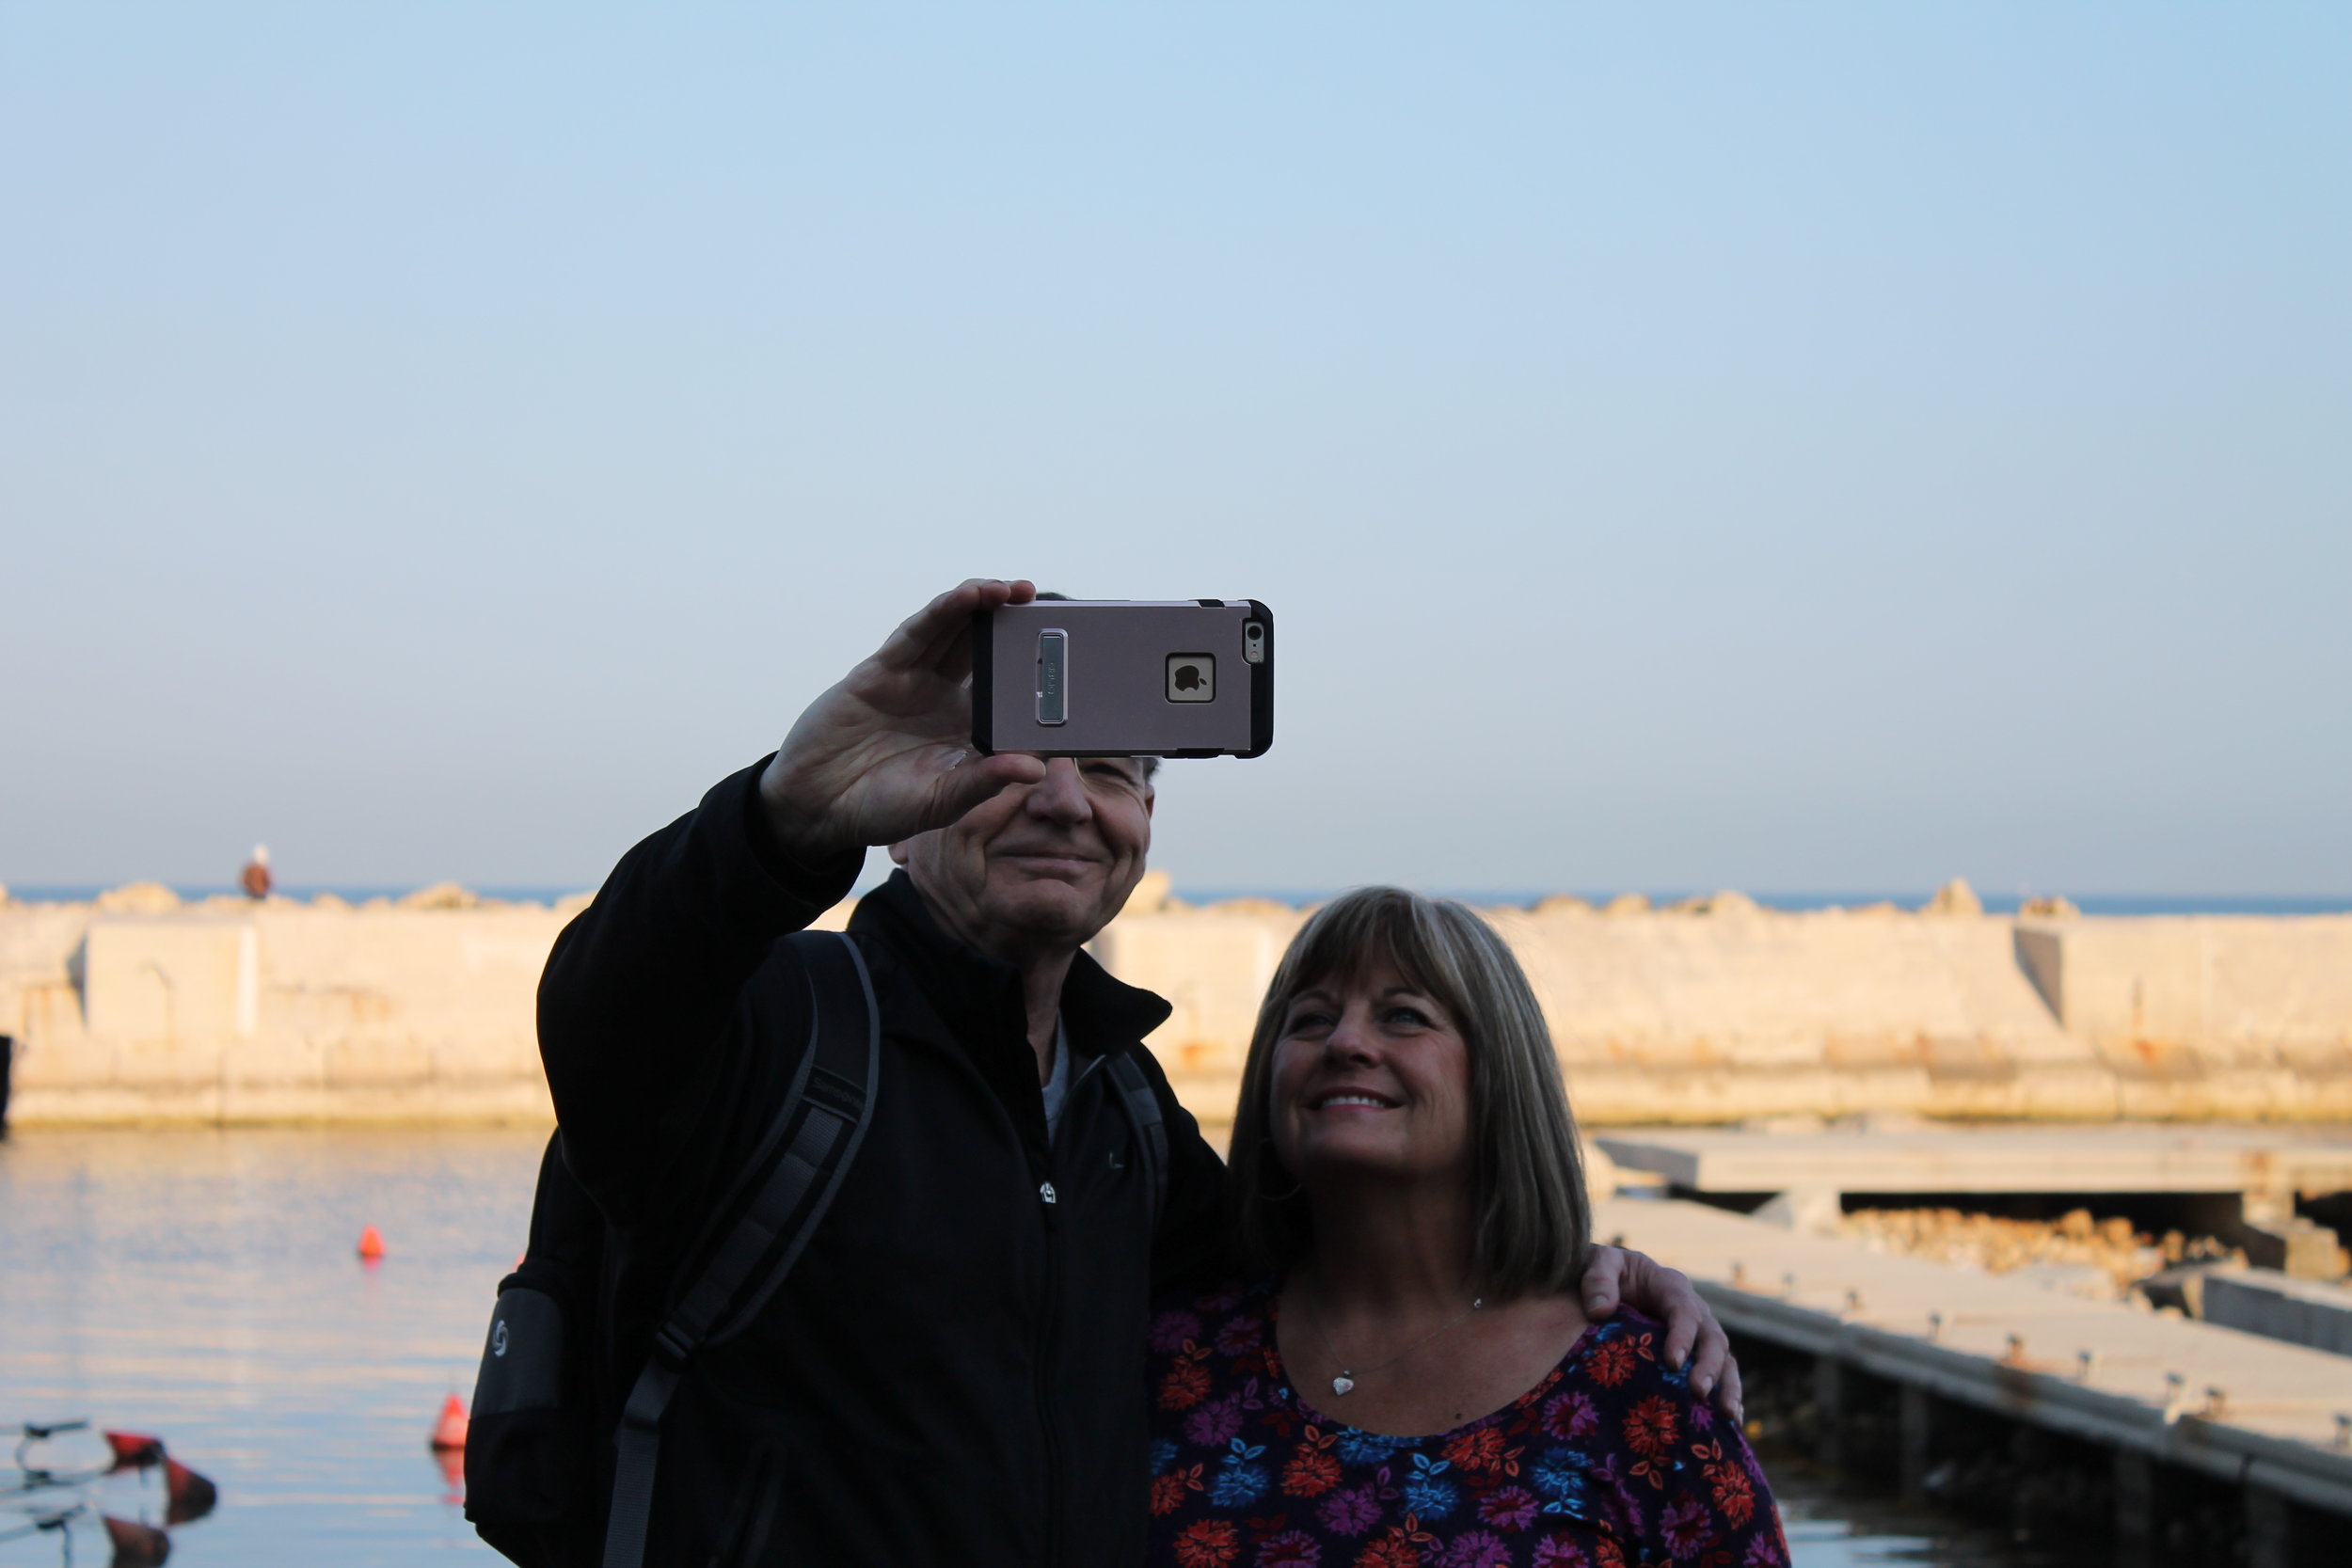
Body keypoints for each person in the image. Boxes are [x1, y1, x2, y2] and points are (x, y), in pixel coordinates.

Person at [538, 579, 1740, 1567]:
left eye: (1110, 770)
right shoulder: (779, 1026)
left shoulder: (1118, 1108)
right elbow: (606, 1005)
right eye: (1003, 760)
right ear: (904, 815)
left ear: (1147, 822)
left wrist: (1575, 1271)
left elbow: (1320, 1266)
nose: (1063, 798)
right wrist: (780, 815)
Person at [1147, 887, 1788, 1567]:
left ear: (1499, 1076)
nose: (1345, 1042)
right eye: (1309, 1019)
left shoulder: (1641, 1390)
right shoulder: (1175, 1356)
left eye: (1403, 1015)